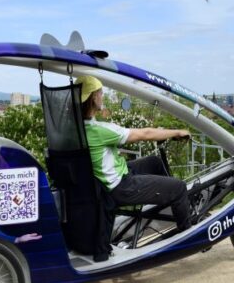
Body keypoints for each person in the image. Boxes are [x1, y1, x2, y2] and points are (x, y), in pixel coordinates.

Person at [76, 75, 194, 231]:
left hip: (107, 180)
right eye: (101, 92)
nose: (102, 96)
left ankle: (170, 201)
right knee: (179, 188)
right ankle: (187, 234)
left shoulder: (76, 128)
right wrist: (176, 132)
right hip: (120, 187)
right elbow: (144, 134)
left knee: (154, 162)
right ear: (93, 98)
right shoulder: (98, 130)